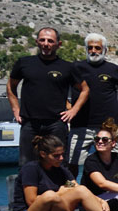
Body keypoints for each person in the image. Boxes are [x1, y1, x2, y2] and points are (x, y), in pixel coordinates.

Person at [12, 133, 118, 211]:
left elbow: (77, 188)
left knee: (80, 189)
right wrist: (59, 193)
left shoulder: (61, 170)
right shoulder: (31, 169)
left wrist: (100, 201)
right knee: (50, 196)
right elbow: (31, 201)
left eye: (62, 154)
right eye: (56, 156)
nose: (61, 158)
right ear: (43, 154)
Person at [8, 27, 88, 165]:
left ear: (58, 44)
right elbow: (11, 85)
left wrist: (73, 111)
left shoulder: (67, 67)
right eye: (42, 40)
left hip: (56, 123)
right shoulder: (24, 63)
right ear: (37, 42)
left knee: (58, 164)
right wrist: (15, 108)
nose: (46, 44)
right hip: (29, 123)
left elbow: (85, 89)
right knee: (26, 165)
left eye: (50, 41)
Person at [66, 33, 118, 176]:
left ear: (104, 50)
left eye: (97, 48)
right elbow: (59, 87)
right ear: (86, 49)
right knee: (72, 162)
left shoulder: (114, 69)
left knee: (112, 161)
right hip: (81, 124)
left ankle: (111, 190)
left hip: (108, 125)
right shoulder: (75, 67)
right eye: (90, 48)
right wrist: (68, 106)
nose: (93, 51)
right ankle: (73, 190)